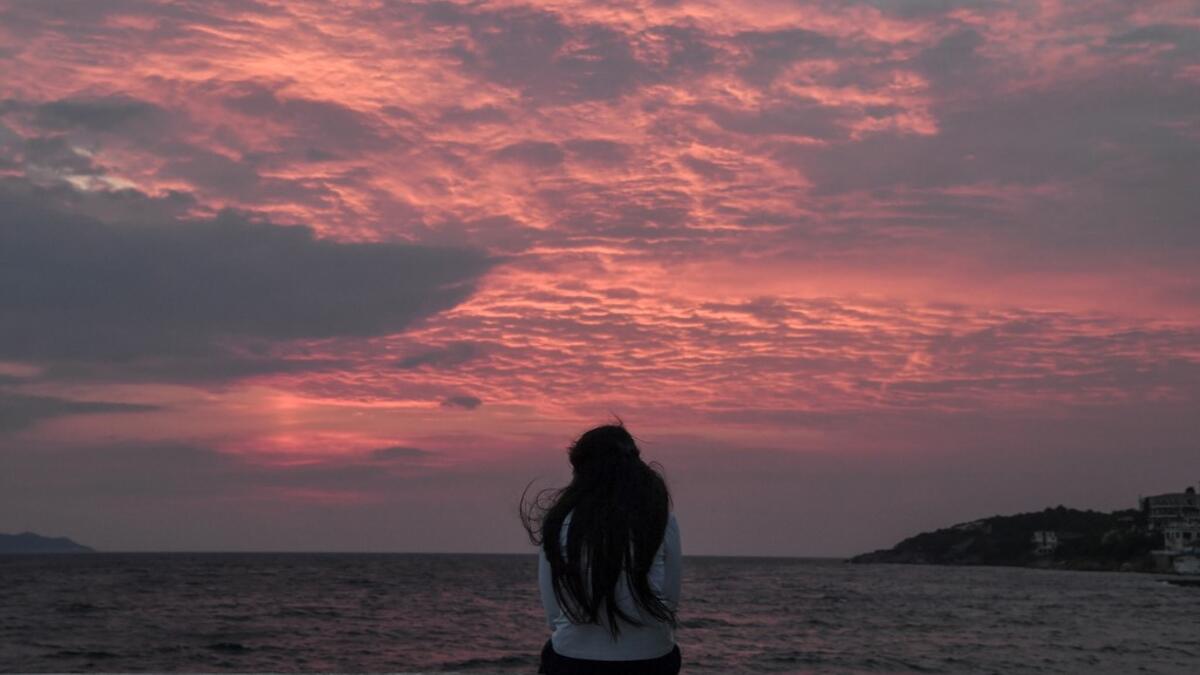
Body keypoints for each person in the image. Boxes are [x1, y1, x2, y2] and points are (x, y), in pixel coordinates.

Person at [520, 422, 682, 675]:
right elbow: (669, 603)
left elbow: (554, 616)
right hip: (651, 658)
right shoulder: (661, 518)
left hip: (573, 660)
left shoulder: (560, 521)